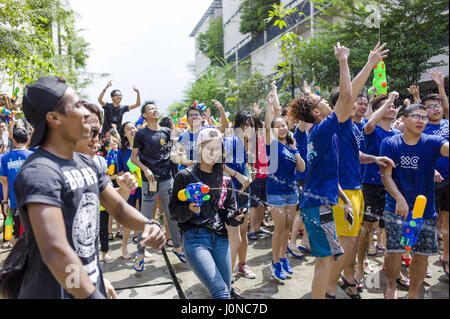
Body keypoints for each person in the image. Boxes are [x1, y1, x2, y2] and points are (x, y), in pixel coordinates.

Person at [13, 76, 165, 299]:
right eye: (75, 105)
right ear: (53, 118)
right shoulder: (39, 173)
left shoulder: (87, 164)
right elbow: (55, 251)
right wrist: (92, 294)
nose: (85, 113)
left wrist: (148, 224)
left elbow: (119, 209)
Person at [324, 42, 392, 299]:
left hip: (356, 189)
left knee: (350, 244)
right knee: (345, 245)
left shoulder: (353, 128)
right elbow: (346, 95)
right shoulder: (338, 124)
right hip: (341, 193)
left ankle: (348, 278)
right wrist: (366, 64)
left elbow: (356, 156)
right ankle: (330, 289)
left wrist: (375, 158)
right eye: (355, 101)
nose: (360, 104)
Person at [288, 42, 352, 298]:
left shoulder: (322, 131)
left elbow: (326, 175)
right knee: (325, 261)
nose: (326, 100)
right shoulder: (324, 129)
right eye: (322, 100)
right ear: (316, 112)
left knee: (330, 258)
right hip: (317, 207)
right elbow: (346, 96)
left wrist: (345, 200)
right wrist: (343, 61)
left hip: (320, 204)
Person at [380, 104, 449, 299]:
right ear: (404, 119)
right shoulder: (390, 143)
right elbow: (386, 176)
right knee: (394, 251)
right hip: (396, 207)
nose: (421, 120)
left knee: (422, 254)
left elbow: (446, 148)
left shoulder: (432, 142)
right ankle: (391, 286)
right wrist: (399, 199)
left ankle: (413, 293)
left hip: (425, 211)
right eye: (416, 116)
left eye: (424, 117)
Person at [169, 127, 246, 299]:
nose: (212, 153)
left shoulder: (225, 180)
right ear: (199, 150)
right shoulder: (185, 176)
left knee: (225, 289)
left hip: (221, 239)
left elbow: (229, 214)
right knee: (220, 291)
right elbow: (173, 211)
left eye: (217, 149)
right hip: (195, 238)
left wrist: (236, 217)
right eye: (208, 148)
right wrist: (189, 209)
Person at [356, 91, 403, 286]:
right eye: (387, 106)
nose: (392, 108)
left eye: (393, 106)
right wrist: (388, 99)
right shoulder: (372, 130)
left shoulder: (398, 134)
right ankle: (359, 266)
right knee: (366, 228)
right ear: (377, 110)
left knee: (394, 230)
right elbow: (369, 124)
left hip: (393, 187)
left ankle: (395, 270)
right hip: (372, 185)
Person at [131, 101, 183, 270]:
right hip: (150, 181)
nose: (155, 110)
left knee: (172, 213)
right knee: (145, 218)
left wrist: (179, 156)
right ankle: (140, 254)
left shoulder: (166, 131)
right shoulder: (141, 134)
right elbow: (133, 158)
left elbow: (169, 152)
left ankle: (177, 246)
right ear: (144, 115)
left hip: (167, 178)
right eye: (150, 109)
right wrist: (145, 170)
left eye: (156, 107)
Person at [266, 83, 306, 281]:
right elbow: (269, 120)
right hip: (275, 192)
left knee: (288, 228)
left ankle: (282, 258)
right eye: (278, 125)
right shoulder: (271, 144)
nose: (282, 127)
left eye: (284, 125)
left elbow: (302, 168)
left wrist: (296, 149)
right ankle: (275, 262)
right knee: (279, 229)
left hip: (291, 192)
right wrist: (271, 104)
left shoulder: (291, 146)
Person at [223, 111, 257, 281]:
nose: (249, 129)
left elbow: (244, 167)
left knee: (243, 231)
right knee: (233, 235)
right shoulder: (230, 141)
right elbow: (218, 163)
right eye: (246, 125)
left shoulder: (247, 144)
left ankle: (242, 265)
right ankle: (226, 273)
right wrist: (238, 175)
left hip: (243, 191)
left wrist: (248, 174)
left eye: (252, 125)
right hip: (229, 192)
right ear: (238, 126)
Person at [0, 128, 33, 248]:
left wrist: (4, 203)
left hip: (14, 202)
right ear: (28, 139)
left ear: (13, 140)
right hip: (32, 202)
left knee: (18, 233)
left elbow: (4, 182)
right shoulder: (33, 156)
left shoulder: (5, 157)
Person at [117, 121, 141, 260]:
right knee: (129, 218)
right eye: (129, 129)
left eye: (133, 127)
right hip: (130, 189)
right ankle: (124, 247)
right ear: (124, 134)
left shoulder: (143, 148)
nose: (132, 130)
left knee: (143, 217)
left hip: (144, 187)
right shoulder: (122, 152)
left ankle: (141, 249)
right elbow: (120, 173)